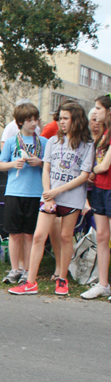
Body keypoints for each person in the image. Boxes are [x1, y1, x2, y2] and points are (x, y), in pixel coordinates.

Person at [9, 102, 94, 296]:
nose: (61, 122)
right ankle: (30, 282)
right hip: (49, 198)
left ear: (76, 119)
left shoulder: (87, 144)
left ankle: (62, 279)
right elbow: (46, 168)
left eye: (65, 118)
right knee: (39, 236)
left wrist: (58, 191)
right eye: (60, 118)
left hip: (71, 199)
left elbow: (83, 176)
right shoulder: (54, 141)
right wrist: (48, 193)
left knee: (65, 237)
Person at [0, 103, 47, 285]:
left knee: (29, 234)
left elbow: (49, 166)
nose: (34, 123)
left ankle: (27, 269)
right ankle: (14, 268)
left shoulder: (43, 142)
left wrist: (39, 162)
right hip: (14, 192)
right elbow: (0, 164)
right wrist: (13, 164)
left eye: (36, 119)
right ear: (20, 122)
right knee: (14, 233)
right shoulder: (11, 142)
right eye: (29, 120)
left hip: (35, 193)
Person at [82, 94, 111, 300]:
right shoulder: (103, 133)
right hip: (100, 189)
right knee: (101, 236)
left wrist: (90, 170)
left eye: (99, 108)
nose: (95, 112)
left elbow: (104, 165)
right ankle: (103, 284)